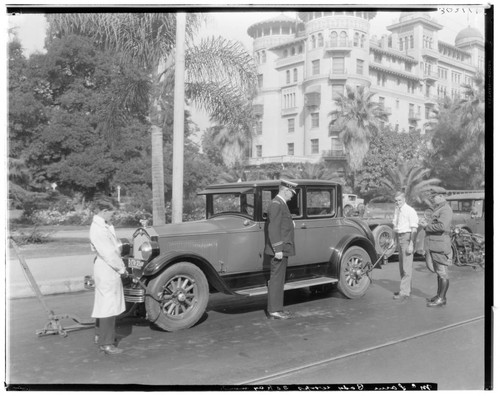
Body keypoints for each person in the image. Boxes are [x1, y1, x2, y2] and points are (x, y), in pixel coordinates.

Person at [90, 199, 129, 354]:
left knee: (103, 301)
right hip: (107, 267)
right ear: (104, 211)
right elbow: (109, 253)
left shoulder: (103, 225)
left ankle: (100, 335)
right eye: (112, 212)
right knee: (108, 304)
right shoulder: (99, 229)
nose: (114, 215)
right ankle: (107, 343)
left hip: (105, 266)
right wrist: (122, 269)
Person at [264, 179, 298, 320]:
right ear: (285, 190)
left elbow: (282, 224)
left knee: (279, 279)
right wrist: (278, 249)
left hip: (282, 248)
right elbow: (273, 228)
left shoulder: (280, 204)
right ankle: (274, 311)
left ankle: (277, 309)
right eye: (291, 193)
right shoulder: (277, 204)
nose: (292, 196)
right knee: (277, 280)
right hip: (279, 249)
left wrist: (291, 223)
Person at [419, 192, 453, 307]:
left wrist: (426, 226)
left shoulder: (445, 210)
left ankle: (442, 298)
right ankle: (439, 295)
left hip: (440, 245)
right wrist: (426, 223)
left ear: (441, 196)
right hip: (435, 244)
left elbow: (441, 226)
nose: (432, 200)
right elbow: (436, 224)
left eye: (434, 197)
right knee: (439, 272)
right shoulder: (439, 209)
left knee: (442, 273)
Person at [391, 191, 419, 303]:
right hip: (399, 237)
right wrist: (393, 240)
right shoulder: (397, 210)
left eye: (399, 200)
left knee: (407, 267)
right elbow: (395, 226)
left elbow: (414, 229)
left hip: (407, 238)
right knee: (402, 266)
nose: (397, 203)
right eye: (396, 201)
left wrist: (411, 244)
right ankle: (406, 289)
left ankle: (404, 292)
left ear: (404, 200)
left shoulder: (410, 211)